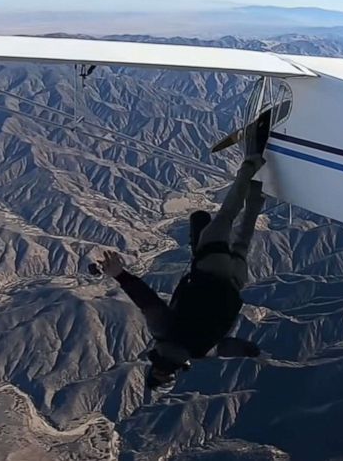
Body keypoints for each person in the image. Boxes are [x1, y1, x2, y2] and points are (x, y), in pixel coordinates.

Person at [99, 152, 267, 389]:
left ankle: (259, 191)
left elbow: (227, 347)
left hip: (236, 279)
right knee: (227, 216)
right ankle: (251, 165)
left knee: (243, 238)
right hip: (210, 267)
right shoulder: (164, 333)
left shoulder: (198, 352)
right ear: (155, 361)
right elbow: (149, 303)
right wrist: (120, 275)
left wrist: (251, 351)